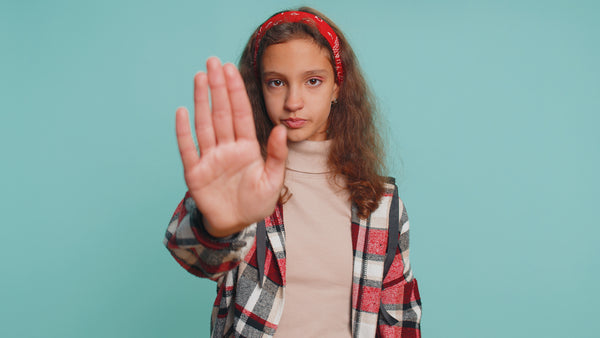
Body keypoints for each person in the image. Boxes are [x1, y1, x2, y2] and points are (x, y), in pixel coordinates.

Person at [164, 7, 422, 337]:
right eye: (276, 83)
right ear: (259, 89)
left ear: (337, 88)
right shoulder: (245, 183)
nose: (293, 101)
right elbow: (196, 258)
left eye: (313, 81)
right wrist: (217, 227)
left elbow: (400, 317)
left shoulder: (382, 204)